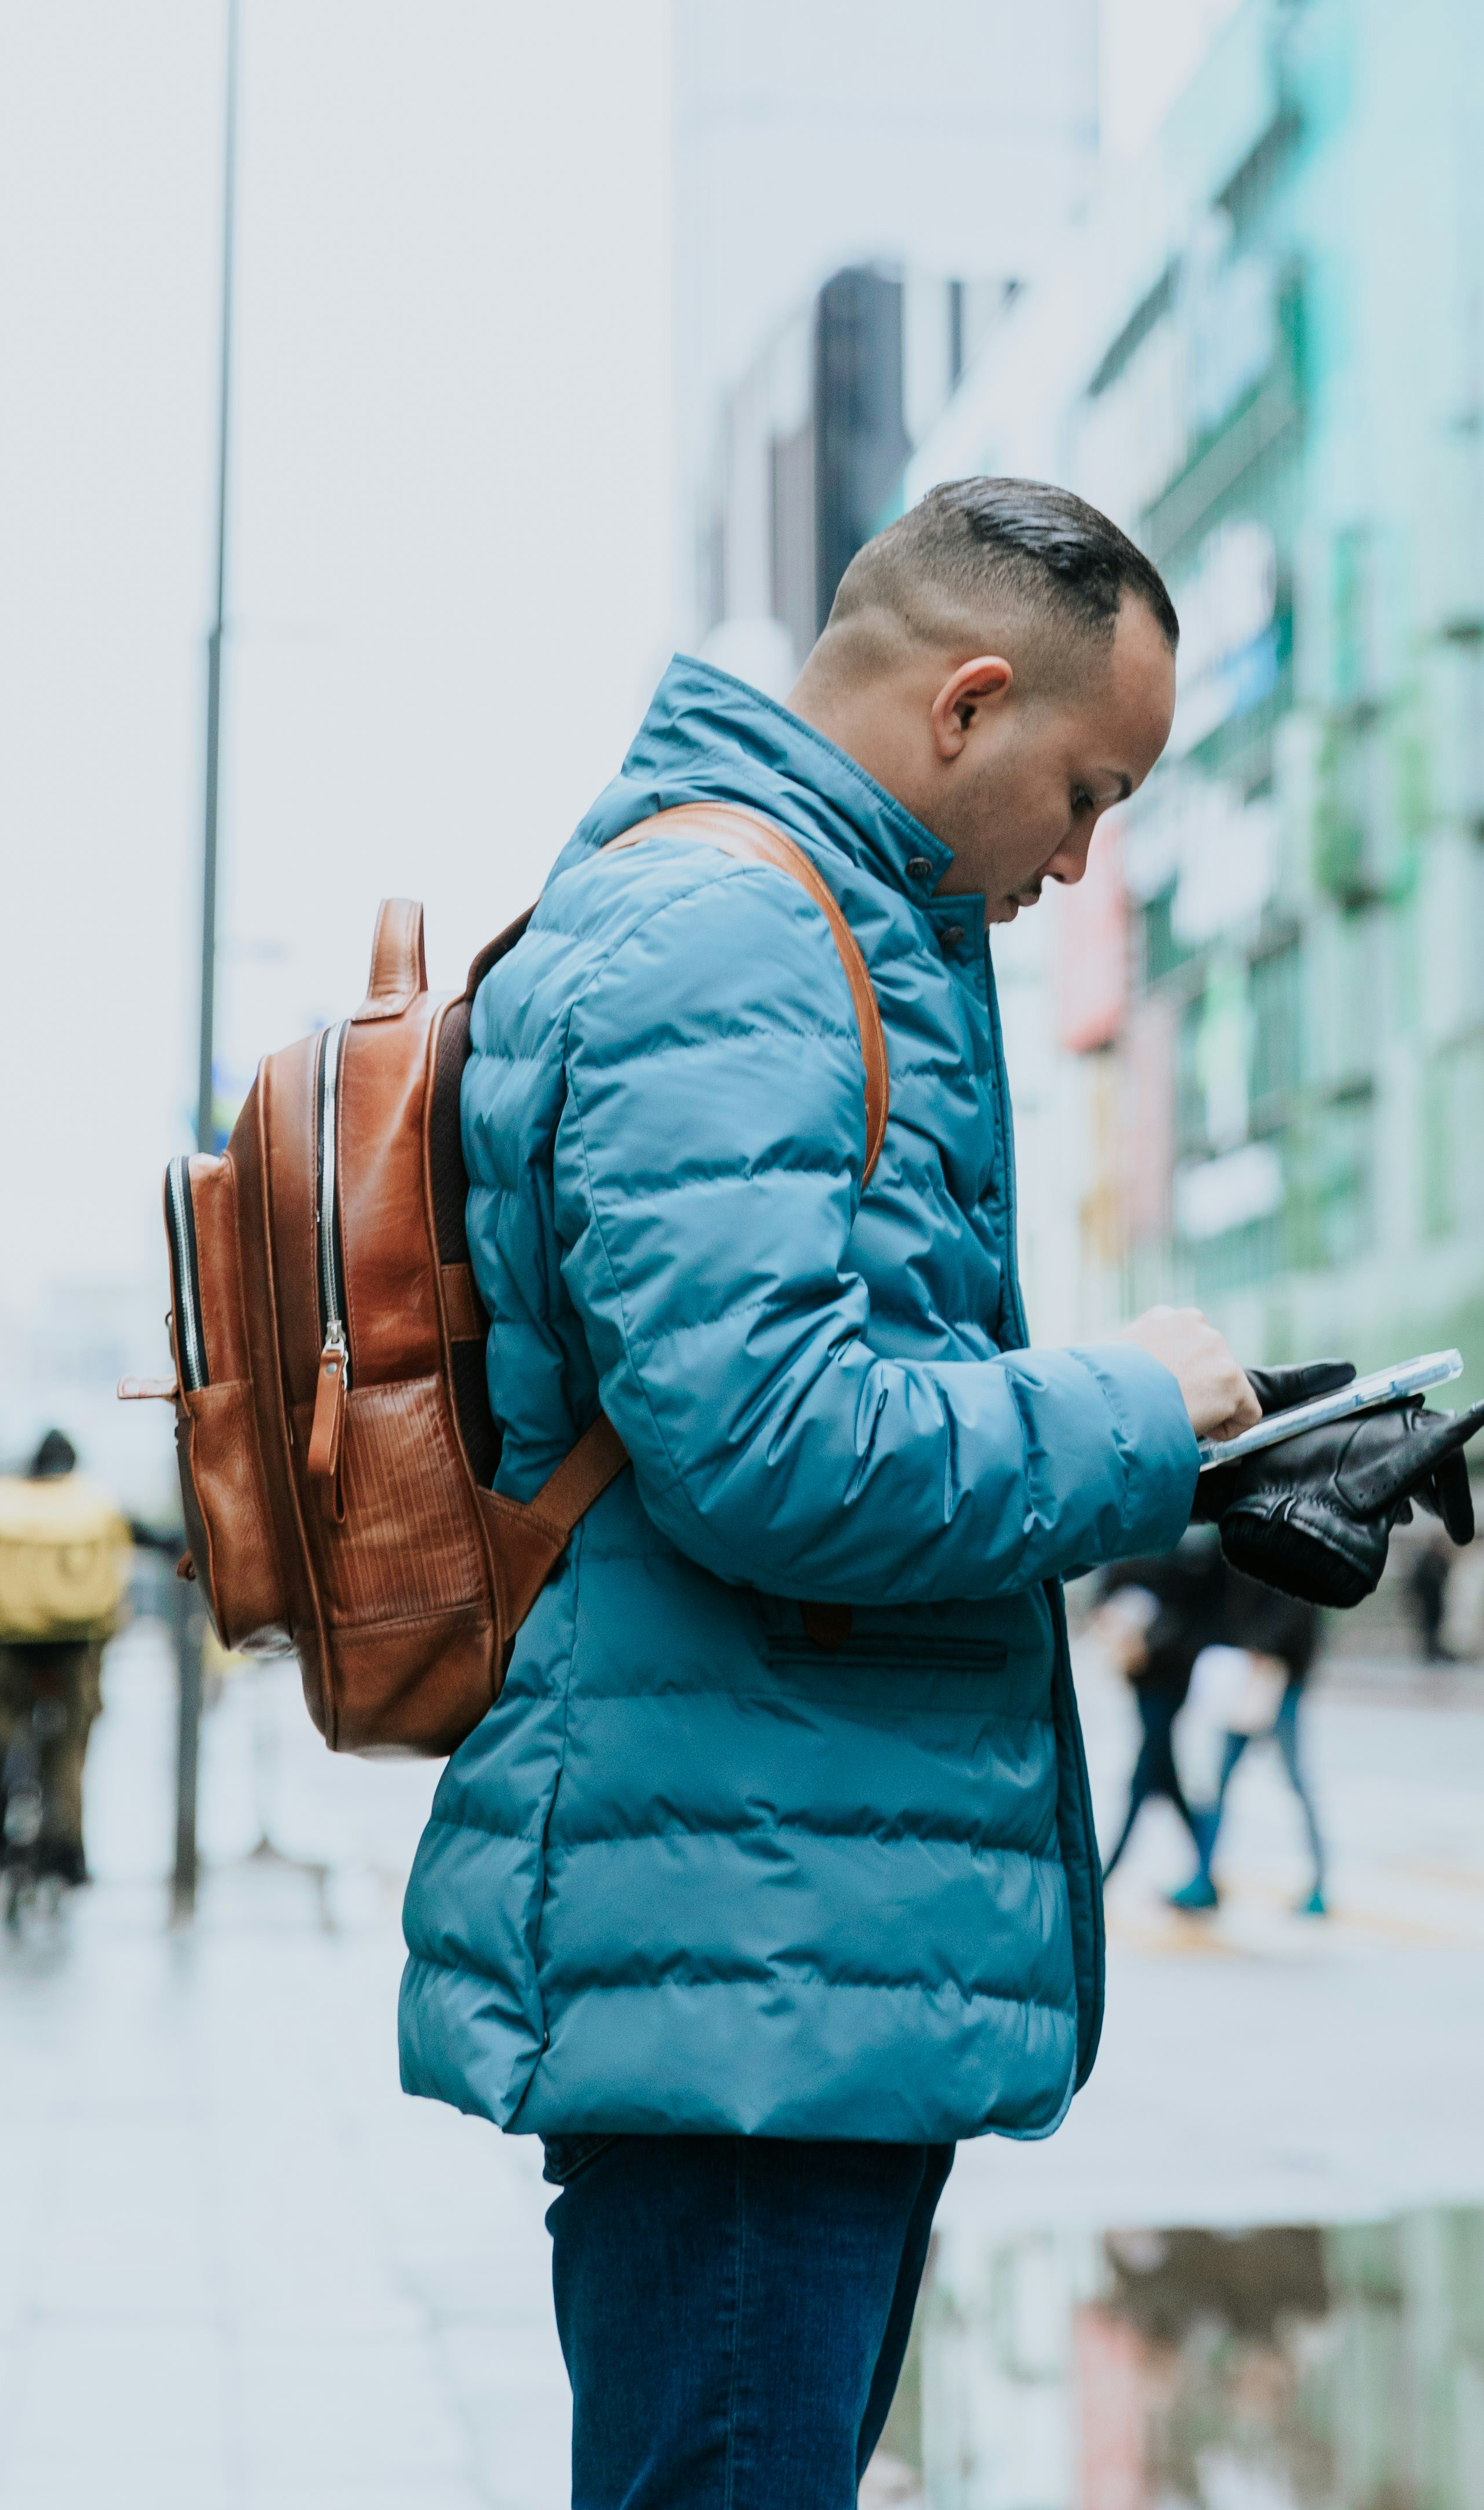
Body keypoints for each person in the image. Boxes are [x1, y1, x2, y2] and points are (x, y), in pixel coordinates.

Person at [401, 480, 1278, 2508]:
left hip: (788, 1925)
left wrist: (1217, 1458)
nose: (1083, 855)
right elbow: (772, 1444)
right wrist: (1131, 1413)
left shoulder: (800, 925)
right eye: (1088, 790)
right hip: (746, 1962)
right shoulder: (732, 931)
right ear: (967, 703)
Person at [0, 1432, 117, 1879]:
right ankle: (69, 1854)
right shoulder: (93, 1504)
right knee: (71, 1749)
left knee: (0, 1736)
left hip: (7, 1643)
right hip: (76, 1645)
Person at [1094, 1528, 1237, 1889]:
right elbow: (1109, 1586)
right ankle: (1205, 1867)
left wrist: (1148, 1641)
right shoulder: (1136, 1538)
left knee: (1145, 1776)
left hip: (1172, 1671)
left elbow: (1199, 1609)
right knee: (1162, 1775)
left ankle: (1105, 1874)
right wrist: (1117, 1630)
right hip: (1142, 1674)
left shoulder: (1194, 1544)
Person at [1184, 1569, 1331, 1918]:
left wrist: (1260, 1647)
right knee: (1218, 1784)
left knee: (1295, 1783)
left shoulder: (1293, 1550)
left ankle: (1319, 1885)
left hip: (1280, 1677)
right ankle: (1204, 1876)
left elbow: (1297, 1605)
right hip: (1248, 1674)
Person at [1405, 1526, 1453, 1663]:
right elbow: (1418, 1582)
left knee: (1435, 1626)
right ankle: (1430, 1651)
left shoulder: (1437, 1560)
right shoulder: (1427, 1561)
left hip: (1435, 1601)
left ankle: (1434, 1650)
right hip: (1428, 1602)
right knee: (1428, 1627)